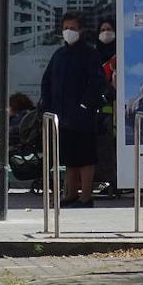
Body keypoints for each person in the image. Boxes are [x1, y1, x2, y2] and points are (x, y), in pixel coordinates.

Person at [40, 13, 106, 207]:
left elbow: (97, 82)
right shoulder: (59, 55)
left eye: (73, 28)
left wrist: (85, 105)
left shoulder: (89, 54)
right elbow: (47, 80)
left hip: (83, 116)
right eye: (66, 27)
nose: (69, 31)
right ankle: (70, 194)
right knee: (69, 158)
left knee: (85, 157)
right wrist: (47, 104)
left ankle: (86, 196)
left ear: (81, 30)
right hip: (62, 115)